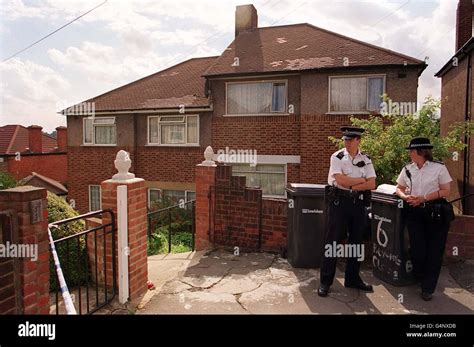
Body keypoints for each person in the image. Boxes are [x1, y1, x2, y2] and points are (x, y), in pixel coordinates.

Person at [318, 126, 376, 297]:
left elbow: (372, 184)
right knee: (333, 242)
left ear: (358, 140)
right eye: (345, 139)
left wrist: (353, 183)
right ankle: (325, 281)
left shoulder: (366, 159)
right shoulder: (337, 157)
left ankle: (352, 278)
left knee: (356, 242)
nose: (347, 142)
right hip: (339, 203)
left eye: (351, 140)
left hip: (358, 204)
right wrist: (360, 181)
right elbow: (340, 181)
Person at [395, 137, 453, 301]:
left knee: (435, 251)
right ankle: (420, 276)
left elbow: (446, 191)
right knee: (417, 250)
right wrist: (405, 197)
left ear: (420, 152)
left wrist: (424, 198)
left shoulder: (439, 168)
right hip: (414, 212)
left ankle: (428, 287)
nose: (410, 154)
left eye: (412, 151)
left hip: (435, 213)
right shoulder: (407, 169)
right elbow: (399, 187)